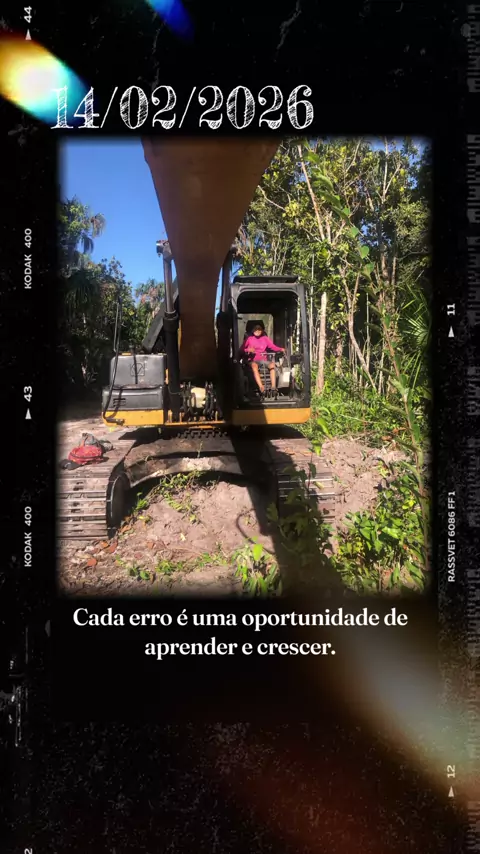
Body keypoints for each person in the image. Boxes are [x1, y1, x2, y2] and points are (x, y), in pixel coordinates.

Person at [239, 322, 285, 394]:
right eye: (256, 329)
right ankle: (261, 387)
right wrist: (248, 350)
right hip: (252, 360)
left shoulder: (265, 338)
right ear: (253, 331)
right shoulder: (249, 339)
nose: (257, 331)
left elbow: (273, 347)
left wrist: (280, 349)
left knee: (272, 365)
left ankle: (273, 387)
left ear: (262, 330)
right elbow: (241, 350)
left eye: (259, 329)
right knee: (254, 366)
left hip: (263, 360)